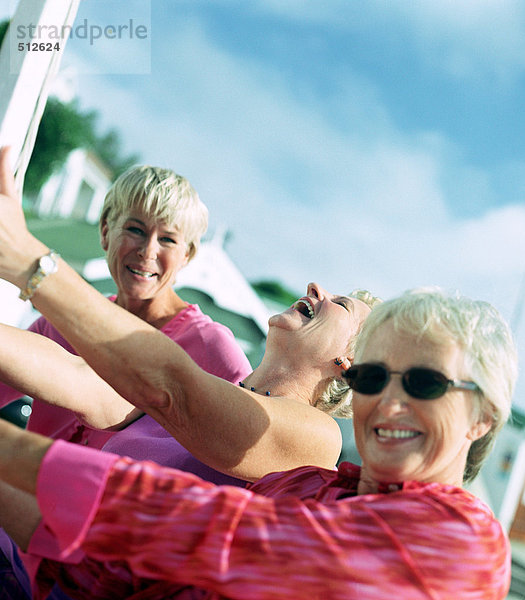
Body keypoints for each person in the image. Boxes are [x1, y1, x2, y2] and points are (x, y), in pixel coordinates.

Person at [0, 146, 380, 597]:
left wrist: (28, 260)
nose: (317, 287)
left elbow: (169, 389)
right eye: (135, 230)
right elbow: (85, 380)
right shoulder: (216, 390)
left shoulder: (318, 437)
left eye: (339, 303)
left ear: (348, 363)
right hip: (38, 557)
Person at [0, 287, 518, 599]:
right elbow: (91, 384)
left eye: (425, 383)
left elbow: (203, 521)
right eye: (375, 377)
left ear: (483, 418)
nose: (390, 400)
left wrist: (35, 268)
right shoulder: (314, 486)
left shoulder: (316, 435)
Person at [0, 158, 254, 599]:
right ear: (105, 231)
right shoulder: (60, 321)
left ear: (189, 255)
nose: (148, 250)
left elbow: (237, 471)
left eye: (169, 239)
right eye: (135, 229)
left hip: (102, 574)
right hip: (18, 545)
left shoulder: (216, 351)